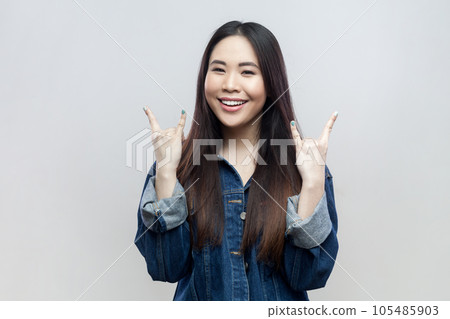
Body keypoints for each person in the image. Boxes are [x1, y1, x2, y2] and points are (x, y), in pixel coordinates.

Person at [134, 20, 339, 301]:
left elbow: (308, 275)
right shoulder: (177, 163)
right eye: (218, 69)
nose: (230, 84)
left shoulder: (304, 167)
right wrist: (167, 173)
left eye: (247, 72)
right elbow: (165, 268)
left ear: (270, 82)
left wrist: (313, 184)